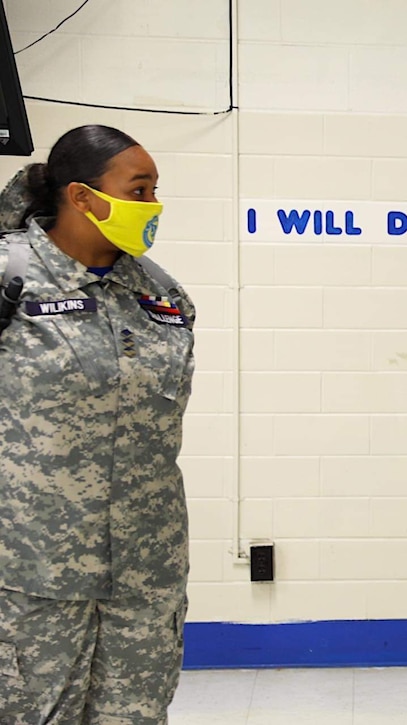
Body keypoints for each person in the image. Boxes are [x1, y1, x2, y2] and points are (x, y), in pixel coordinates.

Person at [0, 125, 196, 724]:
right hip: (34, 571)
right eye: (139, 191)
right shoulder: (11, 280)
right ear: (82, 197)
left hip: (146, 567)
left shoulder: (162, 295)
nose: (153, 206)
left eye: (156, 190)